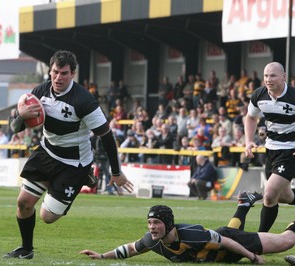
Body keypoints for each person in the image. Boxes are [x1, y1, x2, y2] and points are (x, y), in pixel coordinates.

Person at [4, 50, 133, 260]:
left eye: (64, 73)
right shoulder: (40, 92)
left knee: (47, 217)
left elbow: (107, 137)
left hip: (73, 163)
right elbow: (15, 128)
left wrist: (116, 172)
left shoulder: (84, 101)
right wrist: (20, 116)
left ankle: (85, 175)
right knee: (23, 203)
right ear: (50, 71)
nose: (58, 77)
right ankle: (26, 249)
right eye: (55, 72)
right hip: (47, 152)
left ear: (72, 73)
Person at [81, 192, 295, 264]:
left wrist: (253, 257)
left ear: (169, 224)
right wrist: (102, 256)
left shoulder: (192, 234)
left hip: (231, 243)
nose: (152, 227)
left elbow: (228, 241)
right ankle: (244, 204)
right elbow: (131, 249)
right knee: (223, 232)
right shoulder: (152, 240)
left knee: (285, 241)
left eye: (157, 223)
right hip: (222, 251)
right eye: (150, 223)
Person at [245, 62, 295, 233]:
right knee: (285, 196)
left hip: (291, 150)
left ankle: (260, 240)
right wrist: (248, 141)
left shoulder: (293, 96)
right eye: (266, 75)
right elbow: (251, 118)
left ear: (283, 76)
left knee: (269, 194)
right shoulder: (259, 95)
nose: (268, 79)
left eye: (273, 75)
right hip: (270, 149)